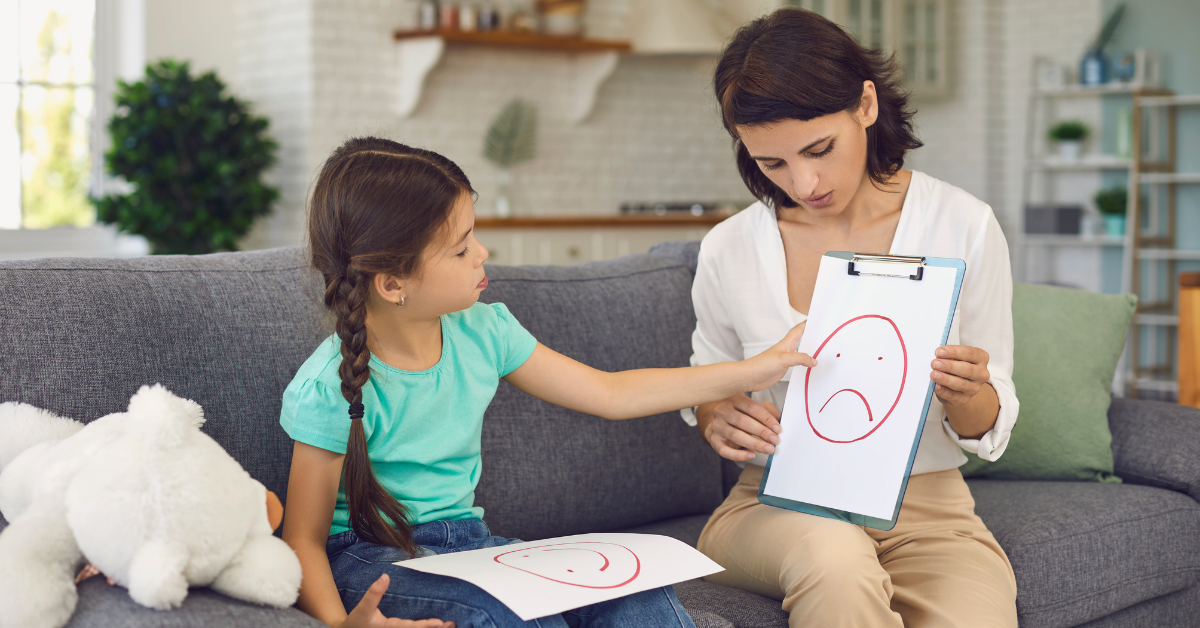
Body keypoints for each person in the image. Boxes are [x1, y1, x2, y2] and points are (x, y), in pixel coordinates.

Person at [280, 137, 814, 628]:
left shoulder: (485, 330)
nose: (483, 253)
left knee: (636, 594)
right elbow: (303, 539)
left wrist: (757, 368)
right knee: (510, 615)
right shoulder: (329, 387)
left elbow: (611, 393)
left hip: (471, 546)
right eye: (461, 248)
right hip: (369, 557)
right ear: (393, 283)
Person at [684, 8, 1020, 628]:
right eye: (772, 163)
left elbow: (988, 424)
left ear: (865, 105)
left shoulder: (962, 225)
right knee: (836, 563)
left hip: (930, 511)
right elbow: (708, 387)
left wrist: (968, 392)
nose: (805, 182)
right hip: (775, 503)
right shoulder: (729, 247)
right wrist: (717, 418)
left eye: (819, 149)